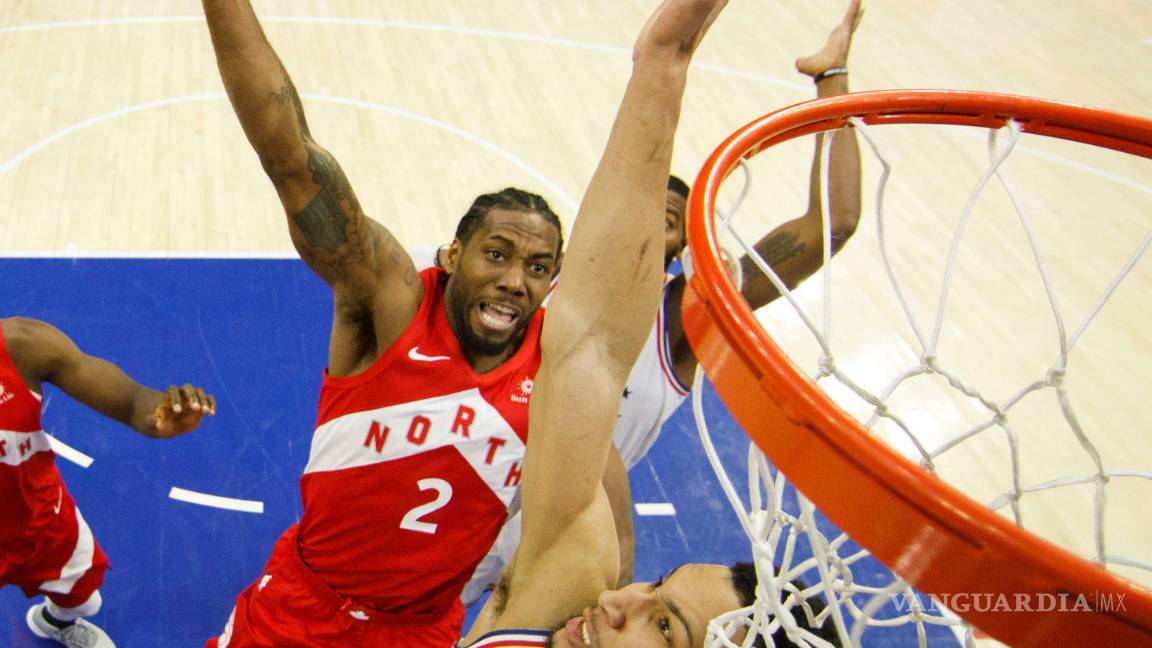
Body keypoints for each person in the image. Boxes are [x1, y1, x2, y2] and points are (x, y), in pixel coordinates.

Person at [201, 2, 634, 646]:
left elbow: (603, 496)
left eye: (539, 267)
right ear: (453, 255)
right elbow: (292, 160)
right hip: (302, 608)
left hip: (420, 632)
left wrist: (621, 577)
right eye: (498, 254)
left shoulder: (555, 368)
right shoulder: (391, 304)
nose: (516, 280)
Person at [459, 0, 864, 608]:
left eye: (668, 221)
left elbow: (832, 224)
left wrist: (832, 81)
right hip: (460, 496)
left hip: (551, 540)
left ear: (682, 246)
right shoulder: (538, 287)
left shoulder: (678, 321)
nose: (647, 227)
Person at [0, 317, 216, 648]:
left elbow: (131, 401)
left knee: (85, 600)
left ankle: (54, 622)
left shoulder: (22, 344)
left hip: (38, 518)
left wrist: (156, 417)